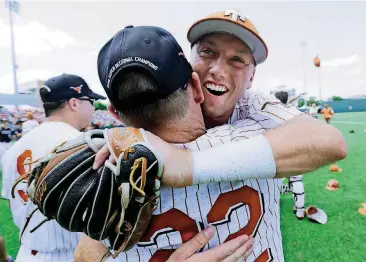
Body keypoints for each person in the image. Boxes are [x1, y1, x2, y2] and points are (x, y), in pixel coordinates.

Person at [75, 18, 345, 261]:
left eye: (237, 60)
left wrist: (186, 163)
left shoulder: (253, 108)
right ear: (191, 70)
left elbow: (330, 142)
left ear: (252, 78)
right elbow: (87, 253)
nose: (218, 69)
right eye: (207, 52)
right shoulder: (261, 131)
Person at [1, 73, 106, 262]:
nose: (92, 107)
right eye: (89, 100)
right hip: (74, 253)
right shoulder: (83, 143)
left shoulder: (13, 151)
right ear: (74, 103)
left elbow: (11, 203)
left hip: (27, 254)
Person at [274, 92, 307, 219]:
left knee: (272, 182)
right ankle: (300, 210)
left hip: (276, 151)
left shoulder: (268, 113)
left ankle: (270, 206)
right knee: (296, 180)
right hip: (295, 149)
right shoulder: (293, 113)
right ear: (287, 100)